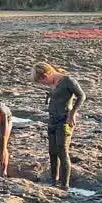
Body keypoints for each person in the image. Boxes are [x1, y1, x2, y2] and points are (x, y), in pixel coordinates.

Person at [33, 62, 86, 190]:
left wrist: (72, 113)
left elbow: (82, 95)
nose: (43, 84)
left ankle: (64, 184)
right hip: (52, 119)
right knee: (52, 151)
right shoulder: (53, 83)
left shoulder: (68, 81)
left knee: (62, 151)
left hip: (63, 120)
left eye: (42, 81)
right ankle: (53, 179)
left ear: (47, 74)